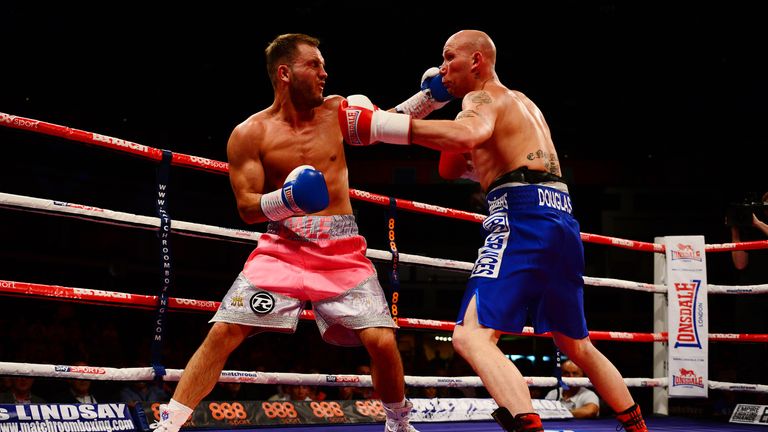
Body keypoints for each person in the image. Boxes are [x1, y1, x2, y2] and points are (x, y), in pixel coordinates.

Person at [339, 30, 648, 432]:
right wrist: (434, 100)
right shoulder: (519, 103)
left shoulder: (482, 97)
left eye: (450, 58)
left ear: (477, 62)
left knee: (470, 337)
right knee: (575, 343)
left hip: (521, 218)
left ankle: (527, 423)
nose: (443, 67)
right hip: (561, 218)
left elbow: (467, 135)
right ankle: (637, 426)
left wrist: (382, 124)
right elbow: (451, 167)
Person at [154, 33, 417, 432]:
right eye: (314, 65)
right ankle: (170, 423)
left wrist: (432, 97)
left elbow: (389, 122)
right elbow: (246, 206)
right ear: (284, 73)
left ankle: (398, 422)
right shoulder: (250, 133)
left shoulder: (337, 112)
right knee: (224, 331)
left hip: (342, 249)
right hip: (283, 247)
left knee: (382, 341)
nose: (324, 73)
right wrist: (290, 200)